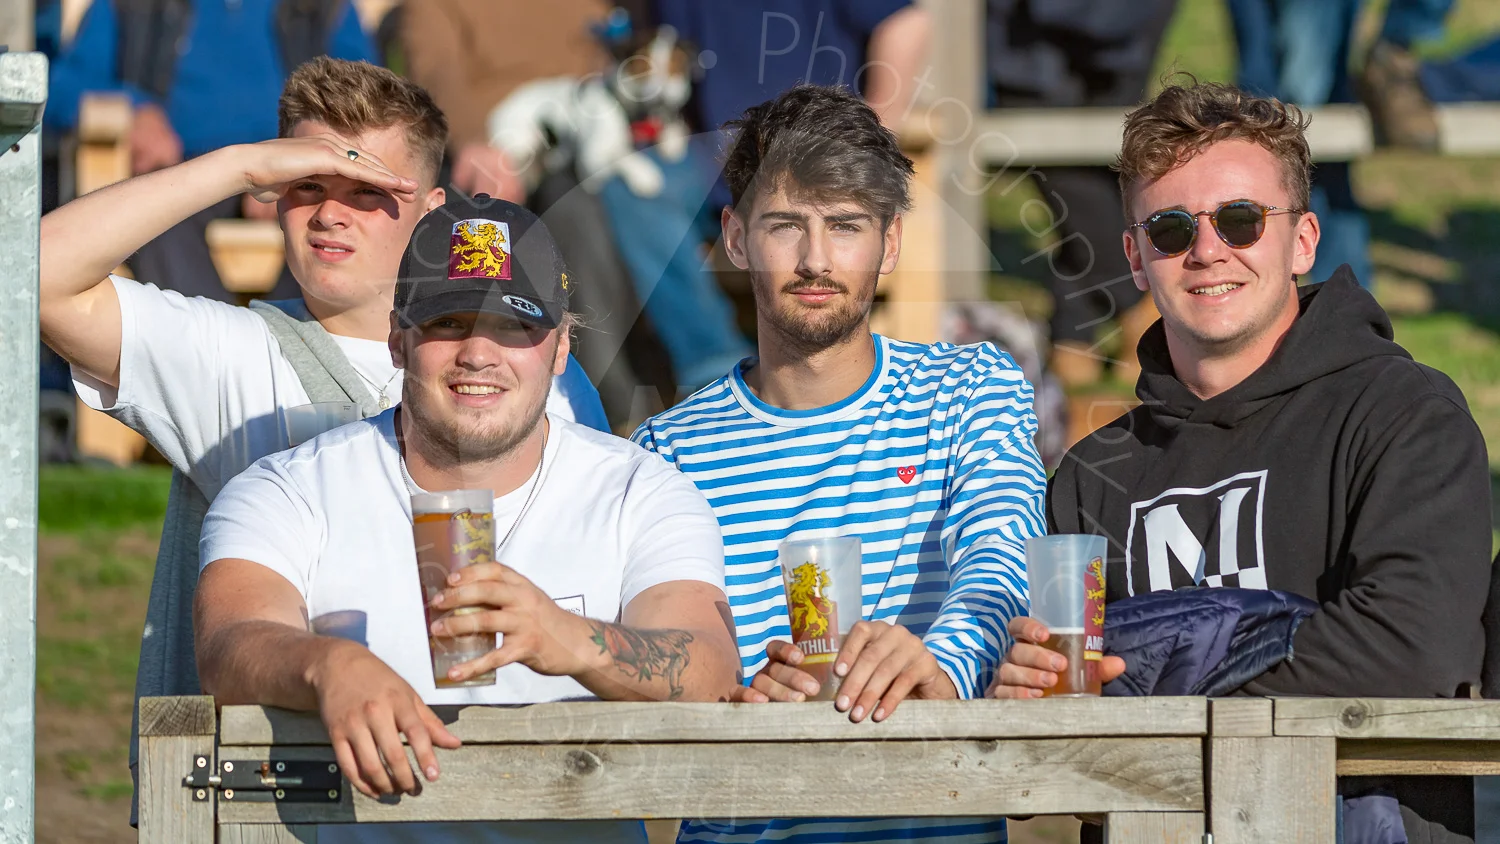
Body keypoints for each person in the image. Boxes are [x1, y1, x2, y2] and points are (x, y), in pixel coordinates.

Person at [36, 57, 609, 822]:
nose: (331, 213)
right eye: (306, 185)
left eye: (367, 191)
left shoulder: (538, 373)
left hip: (516, 795)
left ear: (432, 211)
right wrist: (241, 164)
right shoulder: (230, 354)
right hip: (289, 802)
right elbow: (30, 275)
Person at [990, 79, 1492, 840]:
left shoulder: (1404, 414)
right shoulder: (1090, 477)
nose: (1206, 250)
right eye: (1168, 229)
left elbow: (1414, 648)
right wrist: (1020, 691)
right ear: (1134, 257)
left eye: (1241, 219)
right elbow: (1048, 751)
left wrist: (1147, 692)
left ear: (1304, 240)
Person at [196, 194, 741, 844]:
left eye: (515, 326)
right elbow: (228, 646)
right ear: (399, 341)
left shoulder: (639, 491)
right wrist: (327, 665)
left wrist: (567, 638)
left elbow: (709, 672)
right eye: (449, 322)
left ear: (561, 347)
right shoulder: (289, 489)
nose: (479, 353)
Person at [633, 84, 1045, 844]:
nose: (816, 259)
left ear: (889, 244)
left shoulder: (972, 388)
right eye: (786, 224)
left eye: (846, 226)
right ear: (734, 237)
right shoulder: (667, 450)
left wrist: (939, 669)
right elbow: (662, 669)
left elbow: (1003, 561)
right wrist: (730, 702)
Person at [45, 0, 377, 300]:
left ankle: (293, 350)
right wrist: (134, 109)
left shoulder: (321, 7)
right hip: (180, 171)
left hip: (293, 168)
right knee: (160, 215)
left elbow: (366, 97)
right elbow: (62, 87)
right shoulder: (129, 5)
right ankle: (206, 356)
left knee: (325, 224)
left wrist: (294, 163)